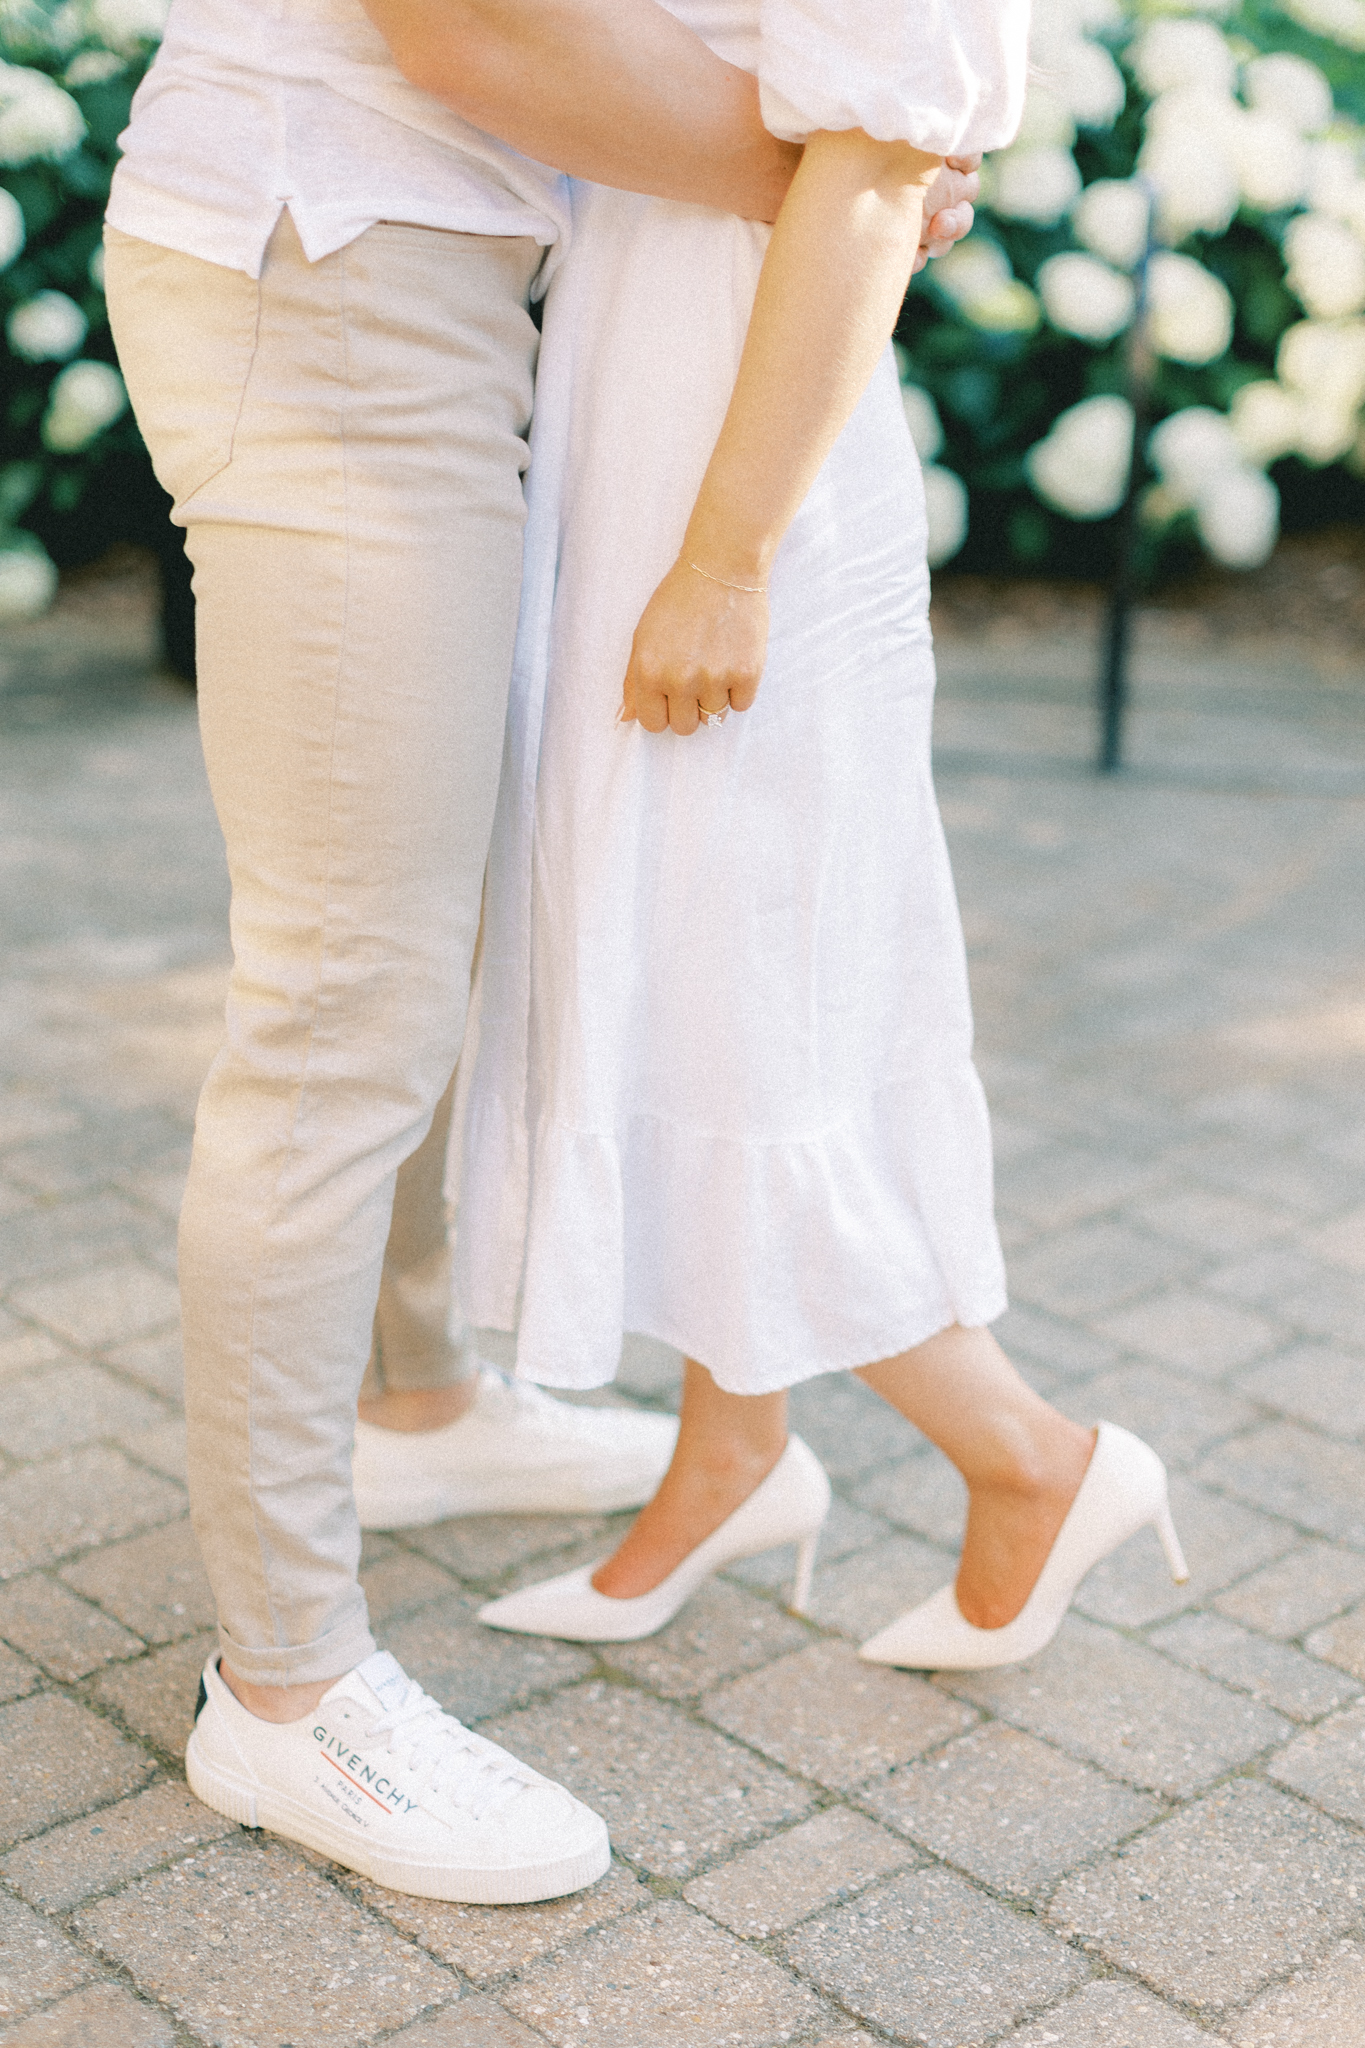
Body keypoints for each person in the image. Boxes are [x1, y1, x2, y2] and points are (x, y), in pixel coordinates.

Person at [101, 0, 982, 1904]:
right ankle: (285, 1683)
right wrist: (854, 160)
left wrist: (870, 152)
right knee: (344, 1003)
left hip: (412, 269)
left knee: (424, 938)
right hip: (323, 269)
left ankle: (412, 1405)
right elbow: (470, 31)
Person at [447, 0, 1193, 1673]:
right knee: (714, 977)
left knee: (747, 993)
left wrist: (724, 559)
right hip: (644, 411)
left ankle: (1035, 1462)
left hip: (738, 457)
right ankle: (730, 1455)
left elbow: (865, 182)